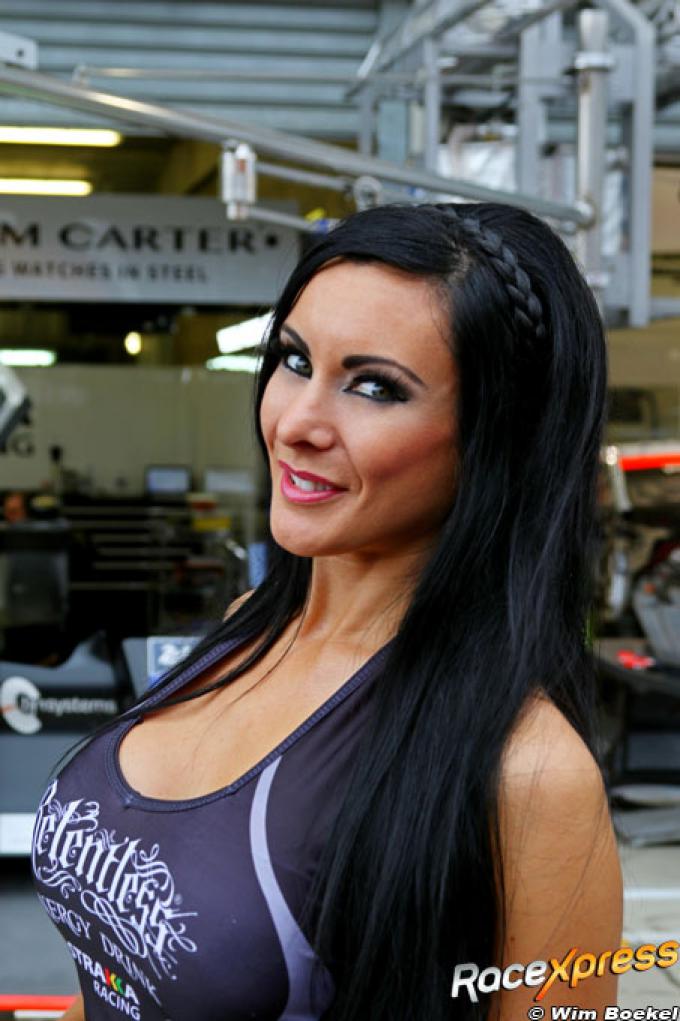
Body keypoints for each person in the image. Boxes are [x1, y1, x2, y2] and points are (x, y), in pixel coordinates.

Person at [33, 202, 622, 1021]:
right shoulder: (245, 628)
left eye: (375, 387)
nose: (297, 422)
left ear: (493, 438)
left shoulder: (530, 773)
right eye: (294, 359)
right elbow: (122, 983)